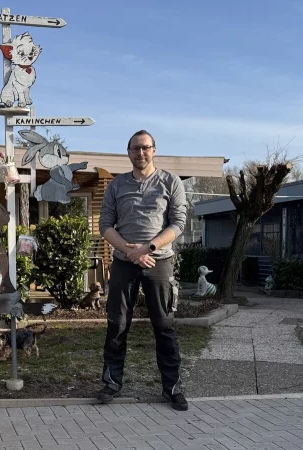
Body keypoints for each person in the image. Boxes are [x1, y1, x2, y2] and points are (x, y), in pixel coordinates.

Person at [97, 130, 189, 411]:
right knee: (117, 325)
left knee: (164, 326)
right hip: (125, 264)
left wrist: (147, 249)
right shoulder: (116, 185)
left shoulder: (170, 182)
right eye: (135, 148)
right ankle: (112, 383)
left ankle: (172, 388)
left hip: (158, 262)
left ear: (154, 150)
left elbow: (178, 223)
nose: (141, 153)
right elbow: (105, 225)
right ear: (128, 152)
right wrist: (129, 251)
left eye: (145, 148)